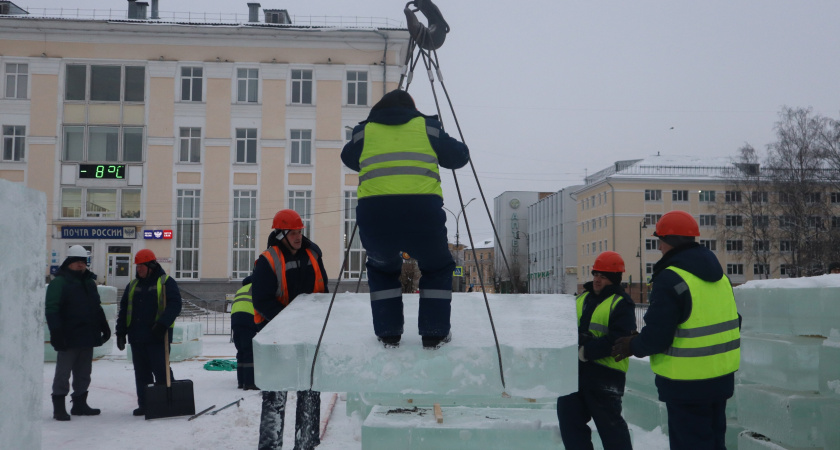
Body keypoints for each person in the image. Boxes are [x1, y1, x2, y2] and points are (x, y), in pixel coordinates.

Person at [341, 89, 470, 349]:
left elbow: (348, 157)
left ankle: (388, 333)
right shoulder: (428, 128)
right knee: (437, 267)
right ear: (413, 109)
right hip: (422, 216)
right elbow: (460, 156)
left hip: (376, 217)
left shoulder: (364, 132)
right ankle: (434, 333)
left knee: (381, 268)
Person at [612, 210, 740, 450]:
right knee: (714, 442)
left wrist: (633, 345)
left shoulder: (670, 278)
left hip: (686, 383)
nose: (659, 247)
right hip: (720, 378)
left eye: (659, 240)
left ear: (668, 241)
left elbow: (659, 336)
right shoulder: (720, 278)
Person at [252, 209, 328, 450]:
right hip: (277, 337)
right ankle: (270, 446)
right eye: (293, 232)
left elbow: (323, 292)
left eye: (299, 232)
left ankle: (306, 445)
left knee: (309, 393)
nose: (297, 237)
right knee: (275, 396)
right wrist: (290, 320)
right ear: (281, 233)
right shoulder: (267, 260)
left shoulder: (313, 254)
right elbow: (262, 301)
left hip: (308, 336)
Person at [557, 251, 635, 450]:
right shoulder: (581, 299)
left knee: (611, 430)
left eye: (604, 276)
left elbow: (618, 339)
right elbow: (564, 328)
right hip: (575, 373)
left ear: (614, 279)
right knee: (570, 425)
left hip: (605, 375)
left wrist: (586, 350)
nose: (598, 280)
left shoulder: (621, 303)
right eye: (596, 275)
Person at [45, 245, 111, 421]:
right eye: (77, 262)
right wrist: (56, 333)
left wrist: (104, 326)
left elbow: (96, 307)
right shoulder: (59, 282)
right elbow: (51, 309)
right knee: (63, 373)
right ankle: (59, 407)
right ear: (69, 263)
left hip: (87, 336)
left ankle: (80, 404)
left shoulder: (89, 282)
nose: (80, 265)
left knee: (84, 373)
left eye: (83, 262)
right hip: (68, 337)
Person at [115, 249, 182, 417]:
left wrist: (162, 324)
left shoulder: (166, 282)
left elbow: (175, 305)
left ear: (151, 265)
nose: (139, 270)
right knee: (142, 373)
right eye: (137, 267)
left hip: (158, 336)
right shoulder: (132, 285)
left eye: (141, 266)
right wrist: (121, 332)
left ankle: (168, 401)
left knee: (161, 370)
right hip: (137, 337)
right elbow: (124, 310)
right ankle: (145, 404)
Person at [231, 275, 258, 390]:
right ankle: (249, 383)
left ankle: (241, 382)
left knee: (241, 352)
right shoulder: (255, 287)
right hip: (247, 320)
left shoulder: (240, 290)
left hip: (235, 321)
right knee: (249, 352)